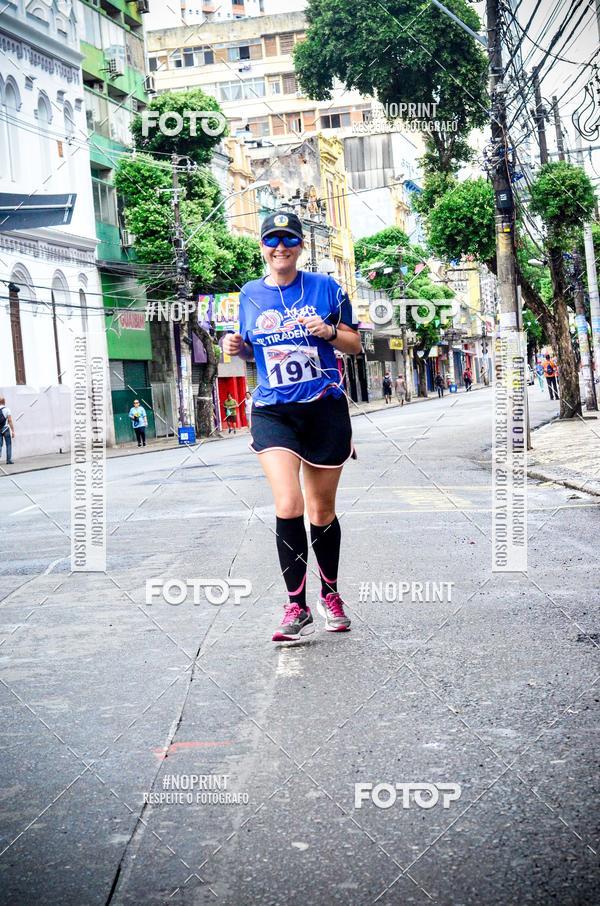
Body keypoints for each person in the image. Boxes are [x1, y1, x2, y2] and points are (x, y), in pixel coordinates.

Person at [222, 210, 361, 642]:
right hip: (273, 410)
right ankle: (296, 606)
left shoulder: (326, 287)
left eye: (288, 239)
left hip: (323, 407)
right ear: (262, 246)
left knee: (320, 511)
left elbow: (355, 344)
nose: (279, 246)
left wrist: (328, 331)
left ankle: (331, 595)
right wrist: (235, 346)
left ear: (300, 246)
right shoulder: (247, 294)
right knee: (287, 504)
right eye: (271, 240)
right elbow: (249, 353)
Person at [0, 396, 15, 464]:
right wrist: (13, 431)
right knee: (8, 444)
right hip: (5, 429)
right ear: (4, 402)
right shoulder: (7, 409)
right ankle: (8, 460)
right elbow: (9, 420)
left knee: (0, 445)